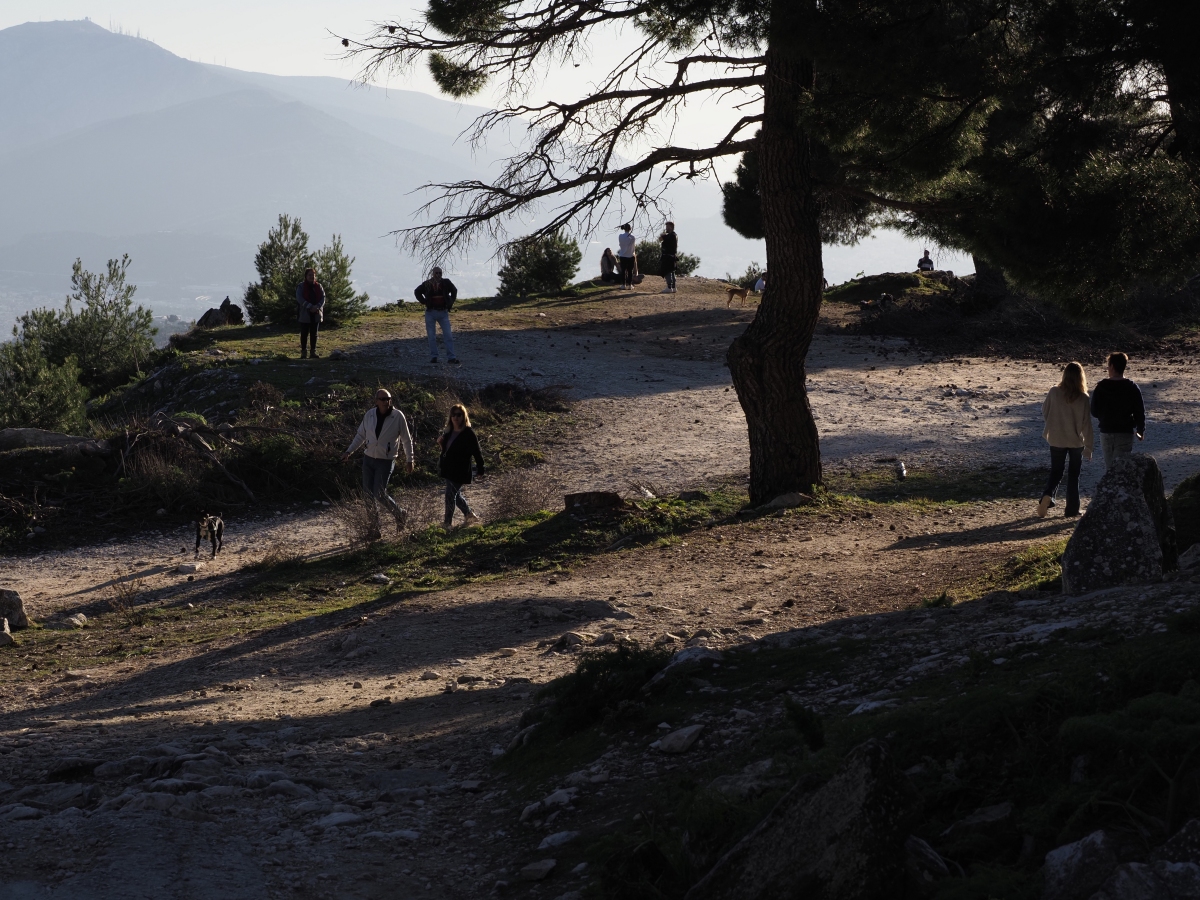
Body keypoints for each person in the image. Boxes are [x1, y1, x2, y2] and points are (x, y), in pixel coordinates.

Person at [341, 389, 414, 539]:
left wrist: (410, 460)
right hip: (368, 459)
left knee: (379, 493)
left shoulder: (398, 416)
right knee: (368, 495)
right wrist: (349, 451)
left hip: (386, 461)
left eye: (388, 399)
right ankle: (374, 530)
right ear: (376, 401)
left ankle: (399, 513)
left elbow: (406, 439)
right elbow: (360, 435)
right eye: (383, 399)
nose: (386, 402)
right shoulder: (369, 415)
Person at [1038, 362, 1094, 518]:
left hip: (1056, 438)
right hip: (1076, 442)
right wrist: (1089, 447)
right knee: (1074, 475)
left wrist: (1053, 424)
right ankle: (1072, 510)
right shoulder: (1083, 398)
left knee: (1056, 471)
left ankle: (1048, 495)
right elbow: (1087, 425)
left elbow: (1044, 410)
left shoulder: (1054, 392)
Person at [1090, 351, 1146, 470]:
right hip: (1125, 432)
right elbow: (1139, 412)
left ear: (1112, 366)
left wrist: (1104, 416)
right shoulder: (1132, 387)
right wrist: (1140, 430)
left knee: (1109, 467)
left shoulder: (1101, 387)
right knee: (1121, 468)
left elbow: (1094, 411)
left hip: (1106, 431)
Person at [437, 403, 485, 529]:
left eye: (459, 415)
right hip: (448, 468)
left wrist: (481, 469)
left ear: (464, 416)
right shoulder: (448, 432)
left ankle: (447, 523)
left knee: (450, 494)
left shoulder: (468, 433)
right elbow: (446, 451)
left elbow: (477, 452)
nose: (456, 417)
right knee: (455, 495)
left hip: (461, 470)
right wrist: (441, 444)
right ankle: (469, 514)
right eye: (453, 415)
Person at [415, 267, 460, 365]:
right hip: (430, 312)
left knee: (448, 335)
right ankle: (434, 356)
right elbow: (417, 291)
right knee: (431, 336)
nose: (438, 275)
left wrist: (450, 301)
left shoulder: (446, 282)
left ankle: (451, 358)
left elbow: (454, 290)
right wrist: (424, 301)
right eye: (436, 273)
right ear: (433, 274)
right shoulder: (427, 284)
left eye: (440, 273)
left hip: (443, 312)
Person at [296, 267, 325, 359]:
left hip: (316, 314)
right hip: (305, 314)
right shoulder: (301, 286)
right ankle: (303, 352)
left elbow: (323, 298)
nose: (312, 276)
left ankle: (313, 352)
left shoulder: (319, 286)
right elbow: (299, 298)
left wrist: (317, 306)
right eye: (310, 275)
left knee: (314, 334)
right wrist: (309, 306)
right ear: (306, 276)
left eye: (313, 275)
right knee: (304, 334)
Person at [659, 222, 678, 294]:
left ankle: (669, 287)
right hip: (672, 256)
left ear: (671, 227)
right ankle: (673, 287)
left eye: (667, 227)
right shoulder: (674, 235)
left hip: (668, 256)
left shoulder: (671, 236)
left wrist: (663, 235)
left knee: (667, 271)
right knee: (672, 271)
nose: (666, 228)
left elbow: (660, 239)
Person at [617, 223, 636, 290]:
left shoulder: (620, 236)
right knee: (630, 271)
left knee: (623, 271)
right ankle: (630, 285)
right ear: (630, 229)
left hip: (623, 255)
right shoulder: (632, 237)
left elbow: (620, 244)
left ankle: (623, 284)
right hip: (630, 255)